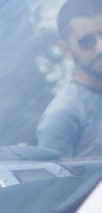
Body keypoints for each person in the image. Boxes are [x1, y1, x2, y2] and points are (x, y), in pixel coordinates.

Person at [40, 0, 102, 159]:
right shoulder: (63, 114)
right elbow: (59, 183)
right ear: (66, 49)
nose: (100, 48)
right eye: (87, 41)